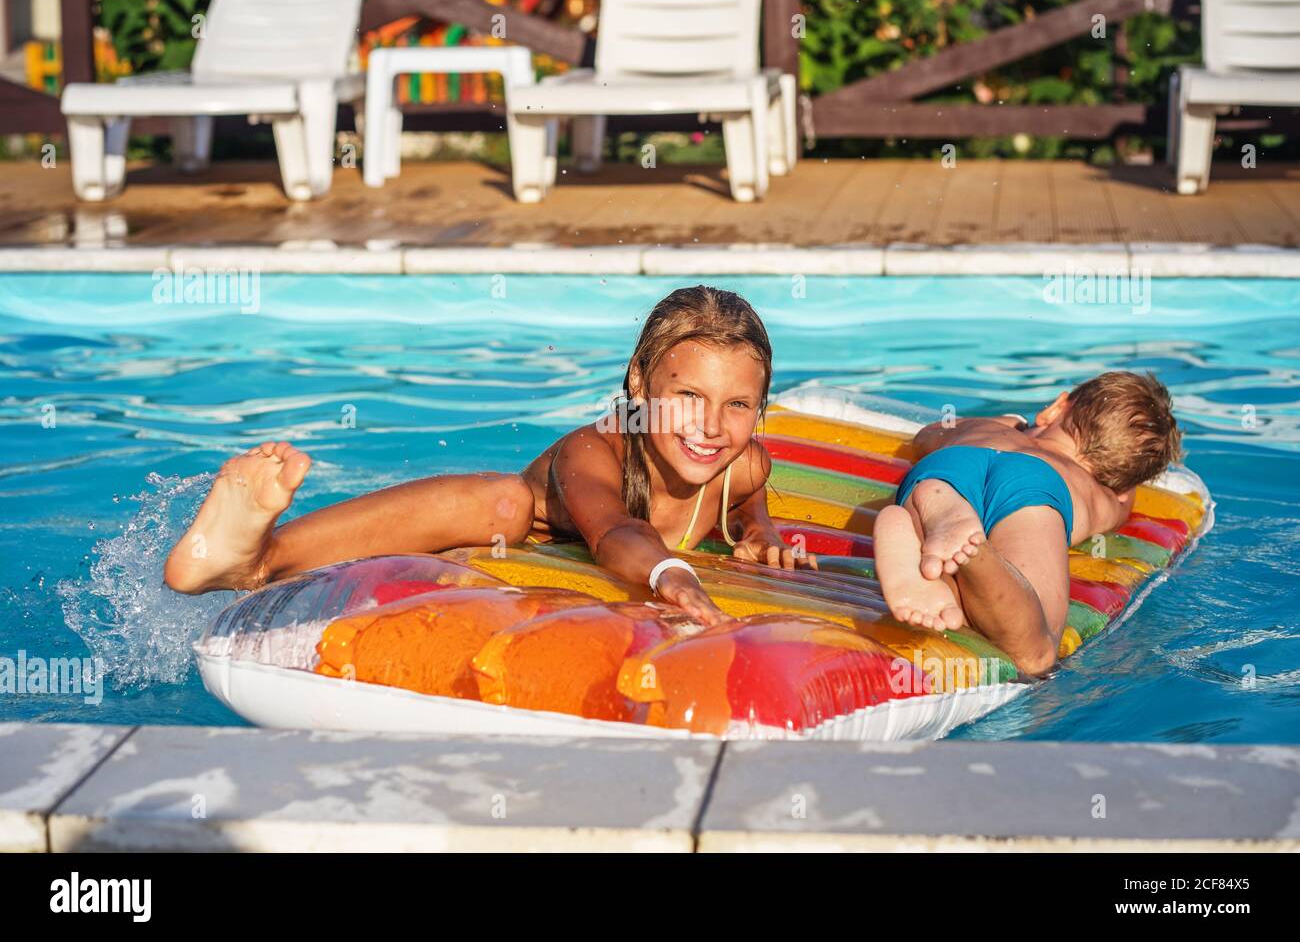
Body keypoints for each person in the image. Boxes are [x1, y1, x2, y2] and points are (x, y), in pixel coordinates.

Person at [164, 285, 814, 626]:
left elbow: (751, 490)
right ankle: (254, 556)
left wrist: (758, 530)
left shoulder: (745, 462)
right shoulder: (593, 450)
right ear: (640, 384)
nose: (712, 426)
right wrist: (672, 574)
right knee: (499, 502)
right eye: (690, 396)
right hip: (521, 520)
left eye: (737, 404)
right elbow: (616, 529)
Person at [874, 371, 1182, 676]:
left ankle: (933, 526)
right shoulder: (1105, 496)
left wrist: (1008, 422)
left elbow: (926, 436)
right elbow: (1125, 503)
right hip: (1036, 482)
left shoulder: (987, 429)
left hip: (952, 463)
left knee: (940, 493)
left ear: (1055, 408)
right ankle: (973, 555)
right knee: (1036, 654)